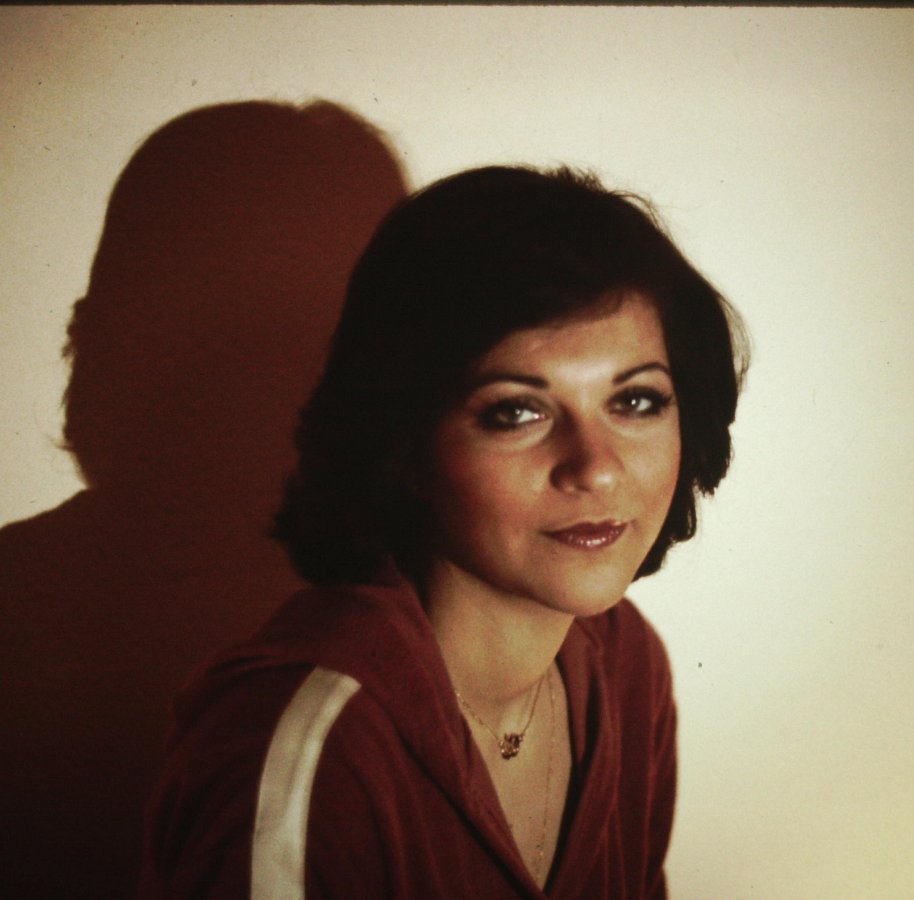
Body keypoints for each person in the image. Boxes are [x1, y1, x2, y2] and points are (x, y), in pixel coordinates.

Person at [139, 165, 745, 898]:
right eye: (516, 412)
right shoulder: (313, 744)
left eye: (637, 401)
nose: (596, 469)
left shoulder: (626, 665)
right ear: (408, 445)